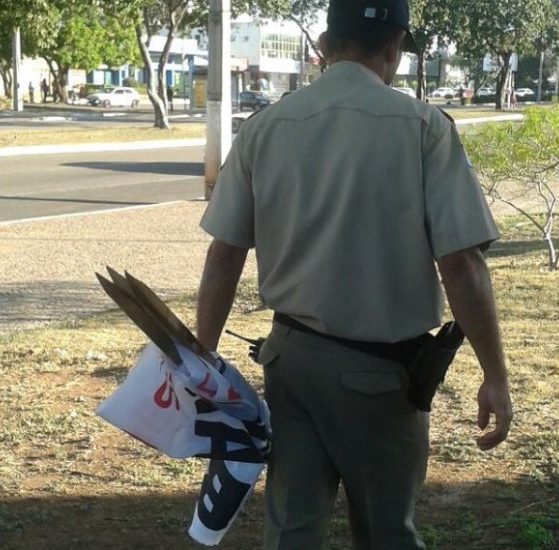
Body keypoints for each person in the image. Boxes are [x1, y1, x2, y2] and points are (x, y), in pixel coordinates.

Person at [195, 0, 513, 548]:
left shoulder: (265, 127)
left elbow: (225, 254)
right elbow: (461, 263)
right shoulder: (423, 128)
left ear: (323, 46)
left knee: (291, 529)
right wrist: (495, 375)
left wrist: (201, 359)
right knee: (387, 531)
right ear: (394, 48)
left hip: (289, 362)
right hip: (380, 378)